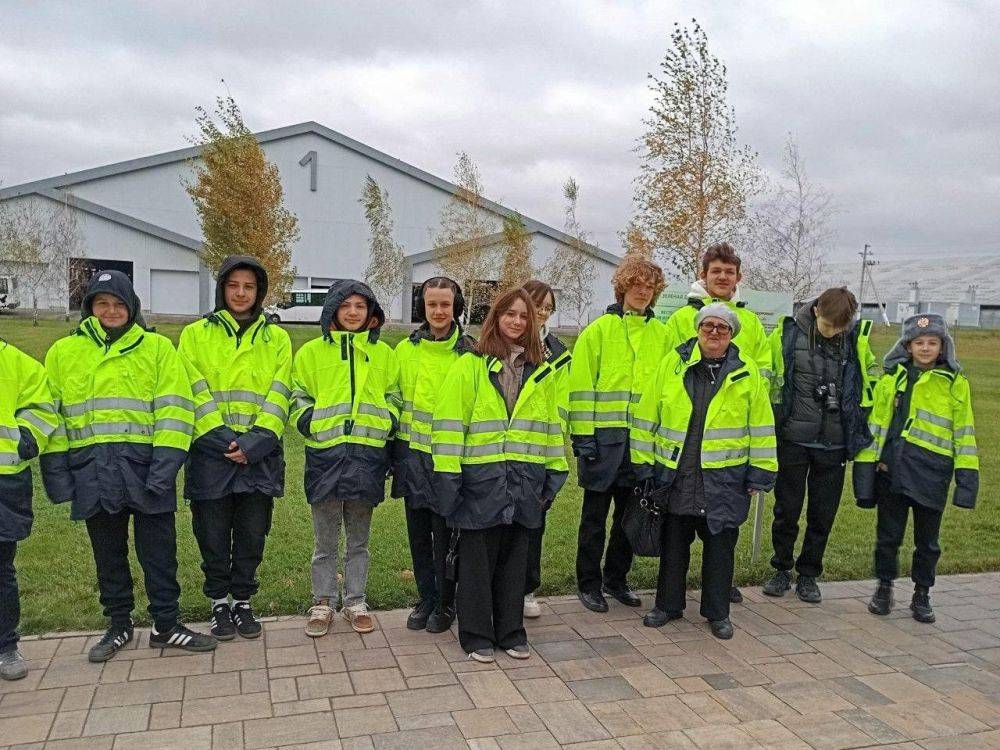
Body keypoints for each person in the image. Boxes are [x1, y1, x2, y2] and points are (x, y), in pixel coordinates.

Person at [41, 271, 215, 662]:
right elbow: (52, 418)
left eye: (119, 304)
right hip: (92, 471)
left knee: (159, 554)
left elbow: (176, 410)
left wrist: (163, 469)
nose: (111, 311)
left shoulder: (157, 348)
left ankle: (166, 625)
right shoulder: (63, 353)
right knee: (108, 555)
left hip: (146, 469)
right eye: (102, 303)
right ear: (89, 308)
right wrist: (59, 478)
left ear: (131, 307)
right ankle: (118, 625)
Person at [432, 287, 567, 662]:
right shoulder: (470, 365)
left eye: (525, 316)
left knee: (514, 562)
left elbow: (550, 426)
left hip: (525, 481)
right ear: (496, 318)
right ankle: (476, 635)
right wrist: (449, 478)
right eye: (510, 314)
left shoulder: (541, 371)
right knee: (477, 562)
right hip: (480, 480)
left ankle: (511, 632)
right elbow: (448, 426)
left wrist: (554, 475)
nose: (517, 321)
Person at [631, 303, 777, 639]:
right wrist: (642, 462)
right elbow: (646, 415)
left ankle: (717, 612)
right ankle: (667, 605)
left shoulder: (747, 372)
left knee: (720, 546)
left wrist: (761, 472)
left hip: (724, 478)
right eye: (707, 326)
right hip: (677, 473)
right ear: (697, 330)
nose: (713, 332)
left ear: (731, 335)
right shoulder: (673, 363)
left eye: (722, 328)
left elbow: (761, 425)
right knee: (674, 543)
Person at [178, 255, 292, 640]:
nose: (241, 293)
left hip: (258, 457)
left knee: (252, 533)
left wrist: (255, 443)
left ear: (259, 292)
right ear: (221, 289)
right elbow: (192, 390)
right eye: (233, 285)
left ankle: (242, 601)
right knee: (211, 534)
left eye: (249, 286)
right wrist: (224, 440)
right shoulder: (195, 335)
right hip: (212, 455)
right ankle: (218, 604)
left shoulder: (276, 338)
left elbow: (281, 393)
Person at [661, 242, 772, 605]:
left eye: (729, 272)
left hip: (728, 447)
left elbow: (764, 374)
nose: (722, 277)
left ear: (738, 277)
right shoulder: (680, 318)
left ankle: (718, 596)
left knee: (721, 533)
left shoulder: (752, 323)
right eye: (716, 271)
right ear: (704, 275)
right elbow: (667, 377)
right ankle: (669, 601)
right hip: (686, 441)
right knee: (676, 534)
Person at [291, 280, 401, 636]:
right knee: (324, 541)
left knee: (359, 540)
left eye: (360, 306)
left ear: (371, 313)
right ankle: (322, 601)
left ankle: (356, 600)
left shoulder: (385, 354)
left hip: (367, 457)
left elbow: (395, 395)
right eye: (346, 306)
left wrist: (390, 421)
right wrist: (308, 422)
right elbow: (298, 395)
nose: (353, 313)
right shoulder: (311, 353)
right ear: (333, 310)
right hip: (325, 456)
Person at [854, 314, 978, 623]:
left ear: (942, 346)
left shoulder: (954, 384)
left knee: (928, 542)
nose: (925, 348)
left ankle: (922, 593)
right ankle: (883, 587)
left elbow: (964, 433)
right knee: (888, 537)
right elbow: (876, 426)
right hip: (891, 471)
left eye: (932, 343)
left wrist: (966, 481)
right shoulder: (891, 379)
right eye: (918, 343)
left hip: (932, 474)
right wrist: (866, 471)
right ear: (907, 347)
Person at [762, 287, 877, 603]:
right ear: (816, 312)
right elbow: (769, 381)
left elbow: (872, 382)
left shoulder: (855, 341)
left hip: (834, 443)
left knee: (822, 514)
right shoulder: (787, 335)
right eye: (828, 325)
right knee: (787, 510)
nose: (832, 332)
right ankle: (781, 569)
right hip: (794, 440)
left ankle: (809, 574)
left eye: (839, 327)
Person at [569, 255, 667, 613]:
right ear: (623, 286)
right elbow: (580, 389)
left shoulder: (663, 334)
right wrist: (583, 440)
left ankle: (616, 579)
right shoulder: (598, 331)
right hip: (602, 442)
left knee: (631, 517)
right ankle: (588, 583)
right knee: (593, 520)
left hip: (641, 445)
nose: (642, 291)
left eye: (649, 287)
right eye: (636, 284)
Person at [393, 276, 475, 633]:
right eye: (432, 305)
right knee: (418, 537)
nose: (439, 311)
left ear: (455, 307)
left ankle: (446, 602)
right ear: (422, 307)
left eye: (445, 304)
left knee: (447, 538)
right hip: (412, 459)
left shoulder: (471, 353)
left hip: (450, 462)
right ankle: (426, 596)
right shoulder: (405, 350)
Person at [0, 340, 58, 680]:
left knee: (1, 570)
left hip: (4, 481)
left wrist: (28, 437)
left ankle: (6, 646)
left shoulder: (16, 362)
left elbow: (42, 405)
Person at [521, 279, 571, 619]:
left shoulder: (559, 352)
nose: (542, 312)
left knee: (534, 523)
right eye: (538, 304)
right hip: (500, 448)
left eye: (548, 308)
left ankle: (526, 590)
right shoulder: (500, 343)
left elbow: (563, 404)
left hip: (540, 450)